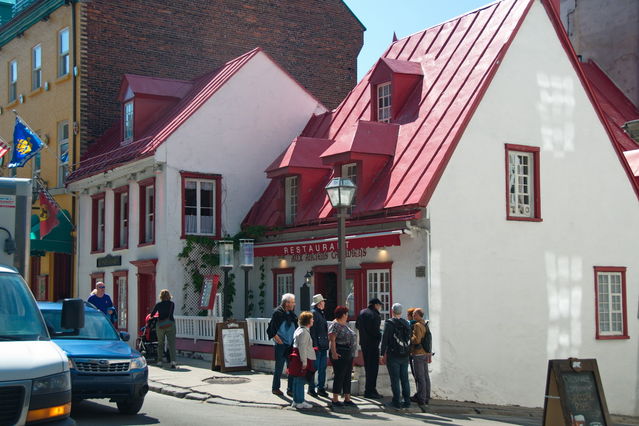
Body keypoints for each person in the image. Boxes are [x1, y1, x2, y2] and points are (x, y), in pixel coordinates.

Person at [381, 303, 412, 409]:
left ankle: (396, 401)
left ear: (392, 311)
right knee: (405, 379)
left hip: (393, 354)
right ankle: (407, 401)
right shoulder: (406, 323)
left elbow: (385, 339)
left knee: (395, 379)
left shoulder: (389, 323)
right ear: (401, 312)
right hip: (405, 354)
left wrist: (382, 353)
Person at [266, 293, 297, 396]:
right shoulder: (278, 313)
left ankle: (290, 389)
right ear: (286, 303)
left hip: (290, 344)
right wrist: (277, 339)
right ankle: (275, 388)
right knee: (279, 367)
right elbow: (271, 328)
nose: (293, 304)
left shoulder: (292, 314)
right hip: (281, 344)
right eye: (292, 302)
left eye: (293, 302)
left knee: (291, 367)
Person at [328, 305, 357, 408]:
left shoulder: (344, 325)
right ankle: (335, 398)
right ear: (342, 314)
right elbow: (332, 339)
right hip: (340, 351)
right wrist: (334, 353)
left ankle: (347, 398)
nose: (347, 315)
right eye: (346, 313)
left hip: (348, 352)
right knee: (339, 375)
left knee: (347, 375)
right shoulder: (335, 324)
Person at [355, 297, 383, 399]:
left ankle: (369, 389)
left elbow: (357, 326)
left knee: (367, 367)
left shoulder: (362, 313)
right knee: (373, 369)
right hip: (373, 344)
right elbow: (376, 331)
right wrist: (379, 336)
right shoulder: (375, 315)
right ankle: (370, 390)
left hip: (364, 344)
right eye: (379, 305)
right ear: (375, 305)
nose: (379, 307)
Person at [291, 311, 316, 409]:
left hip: (297, 357)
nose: (313, 320)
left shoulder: (299, 330)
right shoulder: (304, 332)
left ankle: (296, 400)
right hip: (301, 358)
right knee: (300, 379)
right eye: (311, 319)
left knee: (297, 379)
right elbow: (302, 347)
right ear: (308, 321)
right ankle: (300, 401)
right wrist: (304, 361)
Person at [410, 308, 432, 409]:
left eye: (414, 314)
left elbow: (417, 340)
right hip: (424, 353)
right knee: (425, 376)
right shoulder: (424, 324)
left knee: (420, 377)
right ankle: (426, 396)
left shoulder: (417, 325)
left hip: (418, 353)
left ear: (419, 315)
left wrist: (410, 338)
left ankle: (421, 398)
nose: (413, 316)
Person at [309, 294, 329, 397]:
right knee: (315, 367)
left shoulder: (320, 313)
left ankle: (321, 388)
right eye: (323, 302)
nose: (324, 303)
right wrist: (314, 345)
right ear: (319, 303)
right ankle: (311, 388)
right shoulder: (314, 313)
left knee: (322, 368)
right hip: (317, 345)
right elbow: (313, 331)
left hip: (323, 344)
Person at [150, 289, 176, 369]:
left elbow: (152, 314)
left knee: (160, 343)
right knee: (171, 343)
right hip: (170, 323)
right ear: (169, 296)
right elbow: (171, 313)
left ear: (161, 296)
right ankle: (173, 361)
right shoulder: (172, 304)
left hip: (160, 324)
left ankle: (159, 361)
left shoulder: (158, 305)